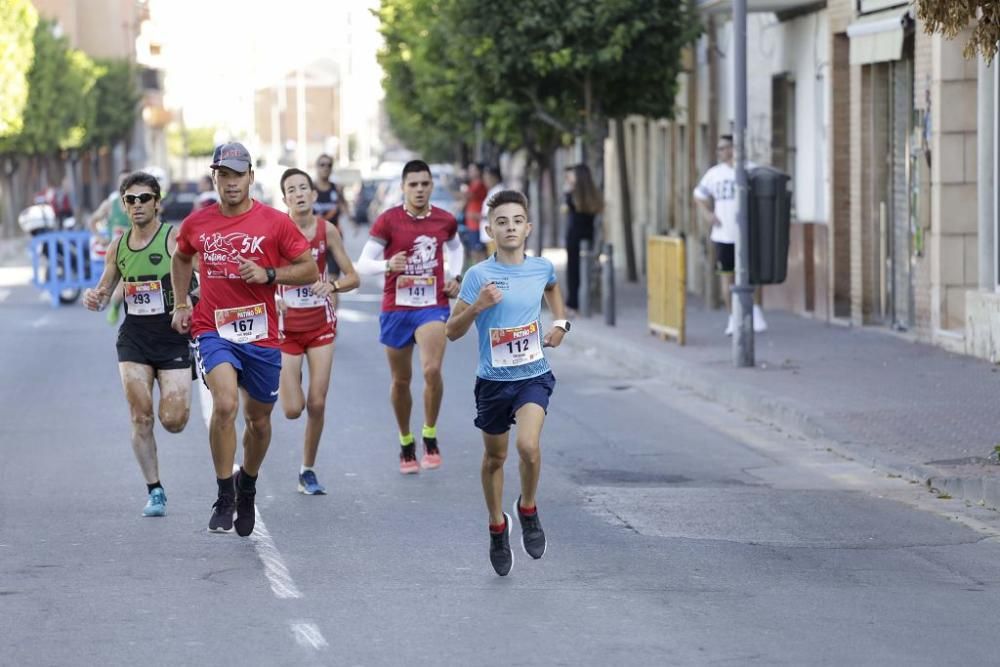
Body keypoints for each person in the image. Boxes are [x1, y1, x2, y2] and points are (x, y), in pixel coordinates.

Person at [170, 142, 318, 536]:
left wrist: (269, 274)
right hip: (212, 328)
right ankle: (224, 494)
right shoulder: (198, 223)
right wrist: (182, 303)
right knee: (225, 404)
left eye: (238, 174)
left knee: (259, 421)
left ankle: (246, 485)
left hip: (262, 333)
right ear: (214, 178)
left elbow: (308, 269)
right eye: (224, 174)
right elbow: (181, 256)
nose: (231, 182)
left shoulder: (274, 222)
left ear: (251, 177)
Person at [446, 189, 570, 576]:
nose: (510, 227)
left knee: (529, 447)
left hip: (533, 373)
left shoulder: (540, 268)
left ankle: (528, 508)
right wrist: (478, 306)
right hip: (493, 382)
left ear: (528, 227)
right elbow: (451, 331)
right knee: (495, 458)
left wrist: (561, 325)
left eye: (517, 220)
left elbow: (552, 287)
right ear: (489, 230)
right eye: (502, 221)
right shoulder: (478, 276)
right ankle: (497, 526)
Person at [82, 171, 195, 518]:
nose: (137, 205)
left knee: (173, 420)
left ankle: (173, 401)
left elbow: (200, 281)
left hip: (172, 335)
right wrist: (95, 297)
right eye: (130, 200)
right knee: (140, 416)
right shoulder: (118, 246)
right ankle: (155, 489)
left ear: (157, 203)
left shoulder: (173, 239)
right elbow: (104, 288)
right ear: (124, 205)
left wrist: (187, 303)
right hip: (134, 339)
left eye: (144, 198)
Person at [356, 159, 463, 474]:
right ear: (403, 188)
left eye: (424, 184)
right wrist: (387, 265)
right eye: (413, 184)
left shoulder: (445, 220)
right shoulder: (388, 221)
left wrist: (455, 276)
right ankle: (406, 440)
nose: (419, 189)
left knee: (431, 371)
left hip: (432, 304)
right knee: (401, 381)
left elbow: (455, 250)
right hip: (396, 308)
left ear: (431, 186)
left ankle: (429, 434)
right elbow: (363, 264)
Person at [276, 168, 360, 495]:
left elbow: (354, 277)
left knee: (318, 404)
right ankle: (289, 379)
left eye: (303, 188)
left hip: (321, 325)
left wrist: (334, 285)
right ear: (284, 199)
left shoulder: (328, 231)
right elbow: (259, 275)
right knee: (292, 409)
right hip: (286, 329)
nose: (298, 194)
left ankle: (306, 470)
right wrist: (273, 297)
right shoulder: (275, 232)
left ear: (313, 196)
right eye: (291, 190)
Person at [693, 134, 767, 334]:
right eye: (719, 149)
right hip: (723, 234)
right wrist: (708, 214)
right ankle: (733, 318)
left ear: (735, 148)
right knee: (728, 278)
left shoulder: (750, 170)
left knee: (752, 277)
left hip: (747, 234)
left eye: (725, 147)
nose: (722, 152)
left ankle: (756, 313)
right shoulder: (714, 174)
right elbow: (699, 196)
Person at [88, 170, 132, 324]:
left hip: (138, 250)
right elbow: (93, 220)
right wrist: (101, 237)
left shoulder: (140, 202)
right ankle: (114, 305)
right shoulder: (110, 203)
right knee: (119, 284)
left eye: (129, 180)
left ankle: (119, 305)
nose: (125, 183)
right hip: (117, 250)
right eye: (122, 180)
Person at [562, 164, 603, 316]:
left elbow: (568, 209)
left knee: (573, 272)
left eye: (572, 175)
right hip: (588, 236)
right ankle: (581, 304)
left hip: (574, 237)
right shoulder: (591, 195)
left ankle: (572, 305)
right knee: (584, 271)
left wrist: (568, 188)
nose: (569, 178)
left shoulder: (572, 195)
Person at [462, 162, 488, 264]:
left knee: (479, 253)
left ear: (479, 171)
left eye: (472, 170)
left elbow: (467, 196)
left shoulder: (480, 185)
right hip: (471, 225)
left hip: (477, 225)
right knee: (474, 253)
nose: (469, 172)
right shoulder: (472, 185)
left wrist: (462, 184)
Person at [478, 165, 505, 256]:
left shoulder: (499, 191)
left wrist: (479, 217)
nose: (485, 180)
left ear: (495, 177)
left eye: (487, 178)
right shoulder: (492, 191)